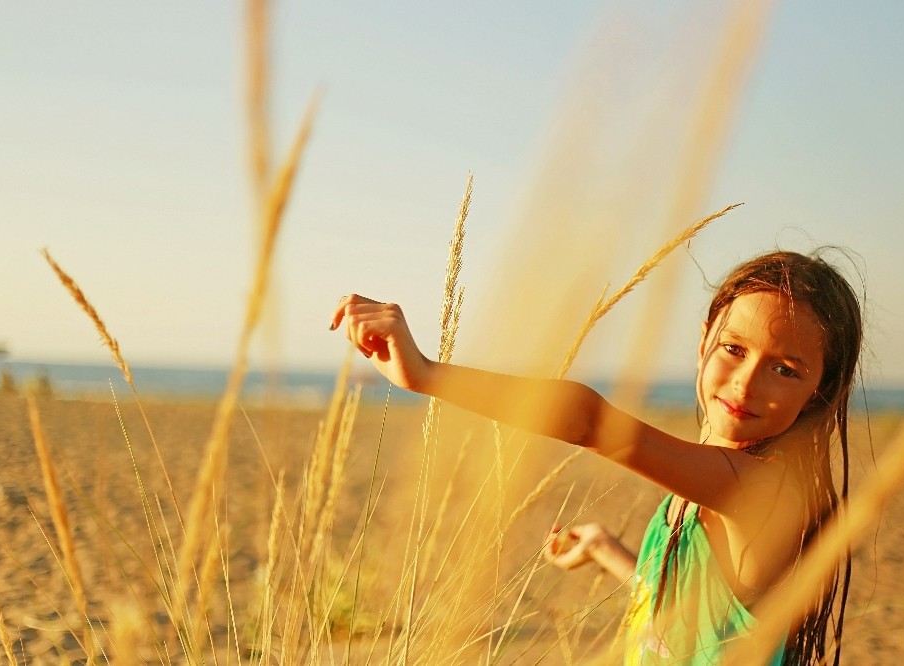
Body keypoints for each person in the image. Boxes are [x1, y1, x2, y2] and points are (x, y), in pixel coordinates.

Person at [329, 250, 862, 665]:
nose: (747, 383)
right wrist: (608, 551)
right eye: (735, 349)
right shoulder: (706, 477)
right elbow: (685, 617)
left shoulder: (760, 490)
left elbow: (588, 421)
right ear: (704, 340)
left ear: (821, 391)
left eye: (786, 369)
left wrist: (428, 375)